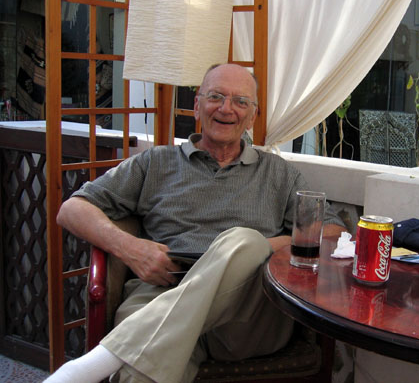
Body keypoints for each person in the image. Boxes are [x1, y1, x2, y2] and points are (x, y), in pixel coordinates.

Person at [46, 63, 346, 383]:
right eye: (215, 96)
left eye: (241, 101)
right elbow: (72, 209)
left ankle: (88, 368)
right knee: (137, 372)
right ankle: (114, 359)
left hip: (247, 316)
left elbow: (334, 232)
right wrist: (130, 248)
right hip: (161, 288)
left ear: (253, 116)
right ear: (197, 107)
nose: (227, 108)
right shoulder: (155, 162)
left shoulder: (279, 173)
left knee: (242, 240)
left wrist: (263, 248)